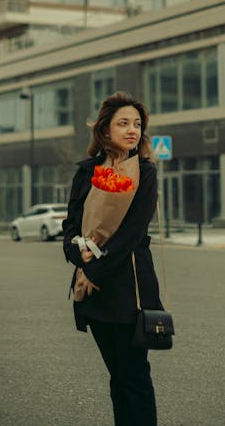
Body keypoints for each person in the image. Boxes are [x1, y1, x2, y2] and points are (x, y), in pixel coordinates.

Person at [63, 91, 161, 426]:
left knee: (134, 376)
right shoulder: (87, 171)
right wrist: (77, 252)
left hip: (128, 289)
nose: (132, 129)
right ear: (105, 131)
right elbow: (71, 224)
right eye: (124, 123)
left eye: (137, 124)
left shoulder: (144, 173)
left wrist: (96, 271)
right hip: (94, 292)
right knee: (116, 377)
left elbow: (133, 232)